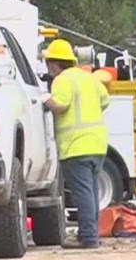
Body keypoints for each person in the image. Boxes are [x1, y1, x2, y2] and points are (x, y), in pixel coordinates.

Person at [42, 38, 111, 249]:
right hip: (97, 144)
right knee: (89, 192)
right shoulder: (88, 77)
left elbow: (61, 105)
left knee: (83, 194)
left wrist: (44, 99)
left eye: (48, 63)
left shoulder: (62, 81)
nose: (48, 68)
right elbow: (105, 100)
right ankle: (89, 235)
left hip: (76, 147)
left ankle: (88, 238)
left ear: (55, 63)